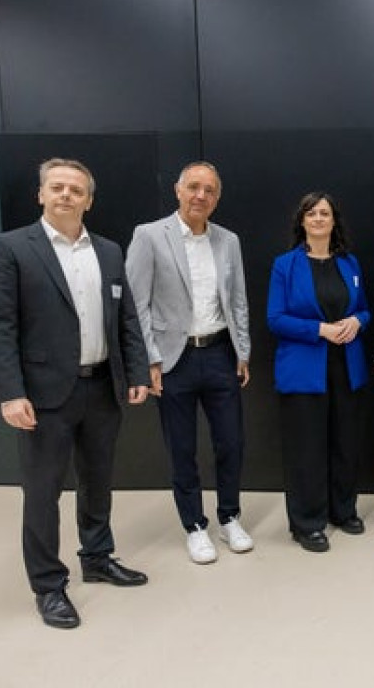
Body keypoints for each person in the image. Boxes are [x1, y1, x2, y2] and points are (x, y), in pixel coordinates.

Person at [0, 158, 151, 629]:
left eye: (75, 190)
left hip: (101, 386)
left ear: (89, 200)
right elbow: (1, 327)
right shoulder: (13, 249)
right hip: (42, 396)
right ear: (41, 194)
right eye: (56, 187)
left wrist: (136, 370)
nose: (65, 196)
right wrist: (10, 393)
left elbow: (127, 320)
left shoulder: (109, 251)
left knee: (97, 482)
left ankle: (97, 557)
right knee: (42, 493)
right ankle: (48, 585)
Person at [125, 161, 253, 564]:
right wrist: (149, 359)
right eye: (194, 187)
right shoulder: (149, 236)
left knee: (230, 442)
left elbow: (237, 301)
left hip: (219, 353)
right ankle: (195, 526)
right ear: (178, 190)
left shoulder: (228, 240)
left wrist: (243, 351)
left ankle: (229, 516)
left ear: (218, 197)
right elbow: (136, 304)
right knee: (182, 448)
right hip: (173, 360)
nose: (201, 195)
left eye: (210, 190)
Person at [267, 193, 370, 553]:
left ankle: (343, 511)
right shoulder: (286, 265)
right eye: (311, 213)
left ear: (333, 221)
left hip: (346, 367)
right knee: (306, 449)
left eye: (325, 213)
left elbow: (365, 310)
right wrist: (320, 330)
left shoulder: (349, 263)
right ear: (302, 221)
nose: (319, 218)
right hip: (304, 370)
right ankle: (307, 523)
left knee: (345, 443)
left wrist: (357, 320)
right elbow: (275, 319)